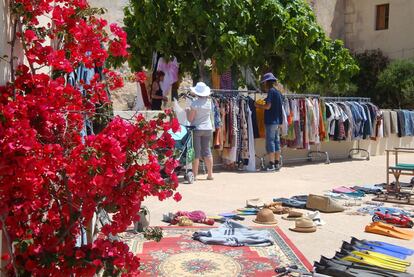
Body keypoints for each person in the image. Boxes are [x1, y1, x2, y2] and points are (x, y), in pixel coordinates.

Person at [255, 72, 283, 171]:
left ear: (267, 82)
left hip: (271, 121)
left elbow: (268, 106)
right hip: (277, 121)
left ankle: (271, 164)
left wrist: (257, 105)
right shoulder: (278, 92)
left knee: (270, 142)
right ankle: (277, 163)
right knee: (276, 142)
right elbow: (279, 108)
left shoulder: (271, 91)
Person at [186, 82, 214, 180]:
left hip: (197, 128)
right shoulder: (209, 102)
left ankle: (195, 175)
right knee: (207, 151)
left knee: (196, 153)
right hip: (208, 128)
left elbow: (190, 119)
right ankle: (210, 174)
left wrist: (187, 111)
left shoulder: (194, 103)